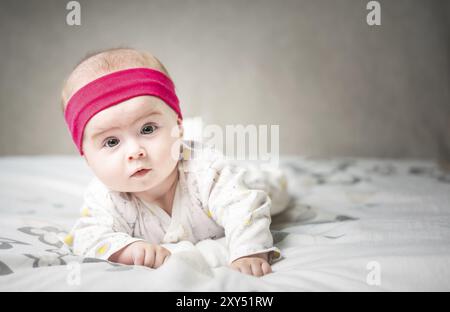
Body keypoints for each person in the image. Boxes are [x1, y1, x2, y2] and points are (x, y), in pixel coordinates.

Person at [61, 47, 289, 277]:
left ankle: (275, 176)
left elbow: (243, 207)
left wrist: (248, 253)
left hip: (249, 184)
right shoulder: (105, 199)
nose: (134, 151)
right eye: (111, 142)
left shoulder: (206, 170)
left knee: (265, 190)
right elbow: (87, 236)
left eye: (147, 129)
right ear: (87, 158)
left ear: (179, 127)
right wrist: (127, 250)